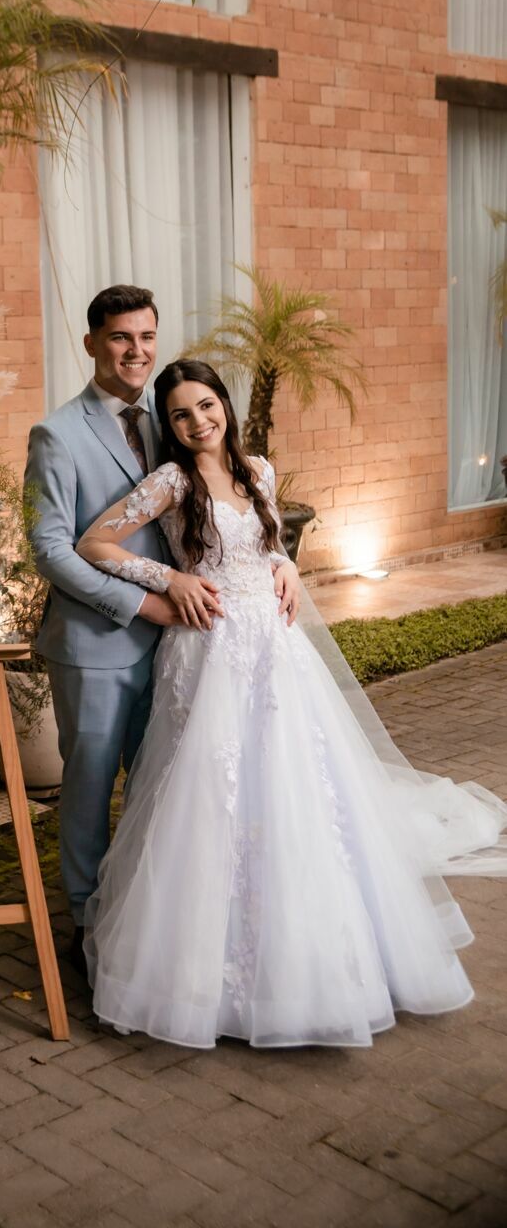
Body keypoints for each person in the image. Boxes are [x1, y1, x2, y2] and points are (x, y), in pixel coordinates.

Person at [76, 358, 507, 1049]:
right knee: (210, 789)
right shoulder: (170, 481)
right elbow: (94, 542)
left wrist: (287, 568)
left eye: (207, 406)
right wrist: (170, 581)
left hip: (275, 650)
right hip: (209, 645)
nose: (198, 422)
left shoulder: (260, 472)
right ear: (170, 424)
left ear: (225, 406)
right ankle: (203, 970)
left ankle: (317, 954)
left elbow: (271, 545)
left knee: (296, 781)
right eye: (181, 413)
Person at [24, 291, 299, 970]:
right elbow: (52, 549)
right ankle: (89, 938)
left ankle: (146, 923)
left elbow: (237, 517)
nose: (137, 350)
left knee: (167, 794)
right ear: (92, 344)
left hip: (189, 652)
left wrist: (284, 564)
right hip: (101, 645)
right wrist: (151, 600)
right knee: (89, 795)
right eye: (121, 338)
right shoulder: (56, 435)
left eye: (147, 336)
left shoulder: (170, 415)